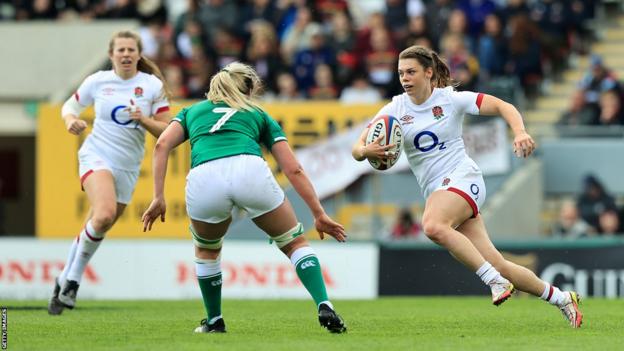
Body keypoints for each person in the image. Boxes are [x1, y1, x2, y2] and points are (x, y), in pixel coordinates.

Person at [351, 45, 583, 328]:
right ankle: (562, 298)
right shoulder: (395, 109)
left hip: (464, 178)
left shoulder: (450, 100)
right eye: (401, 73)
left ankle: (492, 281)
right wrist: (366, 152)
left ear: (428, 72)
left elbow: (502, 106)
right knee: (499, 263)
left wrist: (520, 132)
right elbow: (358, 147)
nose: (405, 79)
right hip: (439, 191)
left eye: (411, 72)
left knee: (433, 226)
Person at [141, 62, 347, 334]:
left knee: (207, 250)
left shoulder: (192, 112)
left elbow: (161, 144)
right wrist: (318, 213)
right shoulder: (257, 113)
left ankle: (214, 321)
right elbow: (293, 168)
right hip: (249, 169)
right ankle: (324, 303)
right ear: (248, 89)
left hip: (206, 176)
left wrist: (158, 196)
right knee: (294, 242)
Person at [48, 30, 172, 315]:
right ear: (111, 55)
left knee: (97, 225)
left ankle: (62, 280)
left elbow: (167, 130)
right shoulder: (98, 81)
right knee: (102, 215)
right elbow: (70, 106)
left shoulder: (151, 85)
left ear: (139, 54)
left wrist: (144, 120)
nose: (126, 54)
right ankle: (74, 282)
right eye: (121, 50)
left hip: (128, 167)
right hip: (97, 155)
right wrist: (70, 120)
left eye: (131, 50)